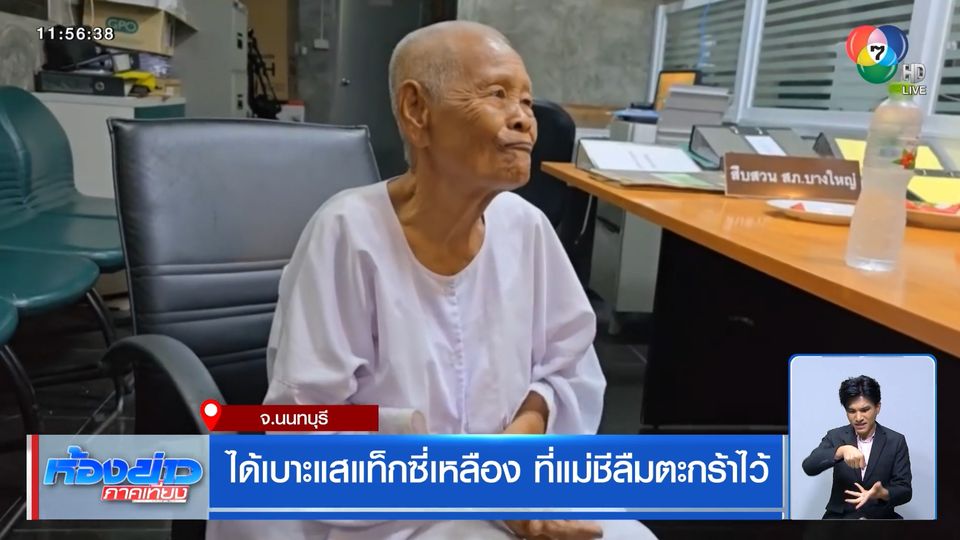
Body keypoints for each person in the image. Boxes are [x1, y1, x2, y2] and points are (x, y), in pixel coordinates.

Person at [206, 20, 656, 540]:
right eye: (497, 94)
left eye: (527, 102)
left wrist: (519, 446)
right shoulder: (347, 234)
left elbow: (570, 367)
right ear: (417, 111)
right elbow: (308, 428)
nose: (524, 121)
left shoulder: (526, 228)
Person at [801, 375, 912, 519]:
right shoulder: (835, 436)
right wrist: (840, 451)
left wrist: (882, 493)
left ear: (877, 407)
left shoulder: (896, 441)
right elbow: (809, 466)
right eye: (852, 411)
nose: (858, 418)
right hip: (840, 519)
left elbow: (905, 490)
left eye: (865, 410)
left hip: (880, 519)